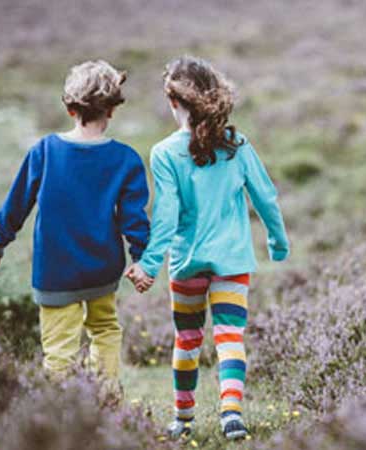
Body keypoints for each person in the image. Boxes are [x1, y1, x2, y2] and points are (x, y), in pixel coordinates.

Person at [126, 56, 289, 441]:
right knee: (230, 335)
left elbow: (165, 217)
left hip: (186, 263)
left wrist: (149, 264)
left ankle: (182, 419)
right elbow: (266, 196)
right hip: (233, 261)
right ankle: (232, 414)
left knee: (188, 339)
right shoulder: (237, 144)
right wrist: (277, 241)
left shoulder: (165, 152)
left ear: (174, 103)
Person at [0, 60, 151, 382]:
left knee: (59, 348)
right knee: (104, 330)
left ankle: (63, 414)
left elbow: (17, 202)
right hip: (103, 267)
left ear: (70, 108)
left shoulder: (44, 151)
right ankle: (106, 401)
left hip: (54, 270)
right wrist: (142, 258)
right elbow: (134, 219)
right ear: (112, 110)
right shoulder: (125, 158)